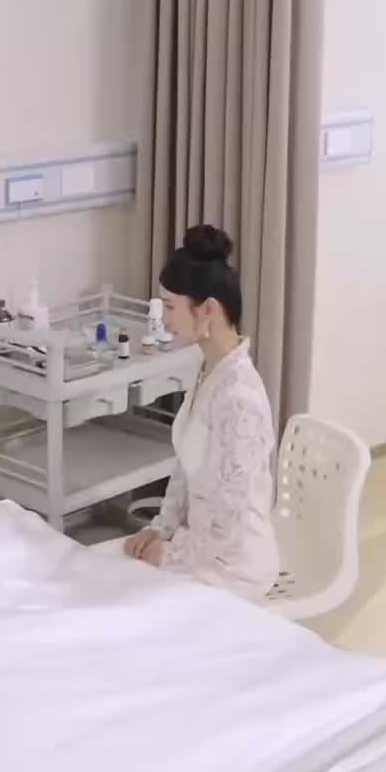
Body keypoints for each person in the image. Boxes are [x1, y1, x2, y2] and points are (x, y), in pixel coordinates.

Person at [124, 226, 279, 602]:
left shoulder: (239, 398)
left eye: (170, 307)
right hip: (199, 548)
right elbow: (186, 467)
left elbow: (230, 522)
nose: (164, 320)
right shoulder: (209, 370)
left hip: (233, 565)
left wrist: (171, 555)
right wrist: (161, 528)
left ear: (207, 309)